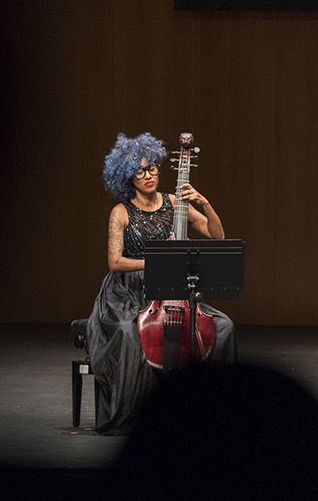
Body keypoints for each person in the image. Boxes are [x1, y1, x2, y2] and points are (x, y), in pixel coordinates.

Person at [86, 132, 233, 434]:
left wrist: (205, 203)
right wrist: (159, 260)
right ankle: (131, 417)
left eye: (152, 167)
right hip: (128, 292)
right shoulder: (121, 212)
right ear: (128, 177)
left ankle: (216, 410)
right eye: (139, 171)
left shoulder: (174, 202)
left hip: (172, 289)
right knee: (129, 333)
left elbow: (217, 235)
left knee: (224, 326)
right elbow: (115, 262)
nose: (149, 175)